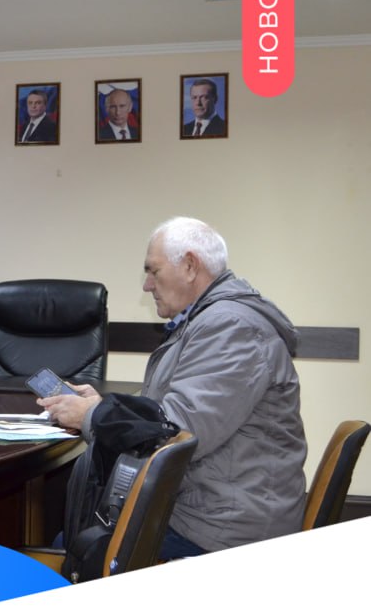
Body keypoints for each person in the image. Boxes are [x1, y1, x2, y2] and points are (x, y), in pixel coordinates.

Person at [40, 216, 306, 557]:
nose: (147, 286)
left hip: (224, 529)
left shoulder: (230, 326)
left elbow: (179, 433)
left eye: (153, 271)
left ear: (191, 266)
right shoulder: (209, 320)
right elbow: (168, 412)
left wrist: (92, 416)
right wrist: (101, 405)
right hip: (216, 509)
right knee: (74, 537)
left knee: (74, 547)